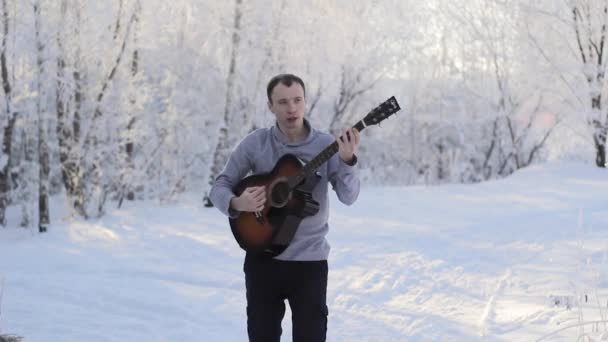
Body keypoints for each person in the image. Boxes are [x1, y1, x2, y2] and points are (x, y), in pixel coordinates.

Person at [209, 73, 360, 342]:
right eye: (282, 102)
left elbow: (349, 196)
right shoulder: (256, 143)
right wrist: (236, 202)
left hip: (310, 264)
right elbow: (220, 185)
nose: (291, 108)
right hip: (261, 260)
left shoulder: (326, 145)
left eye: (297, 100)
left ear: (305, 101)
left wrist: (348, 161)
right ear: (270, 106)